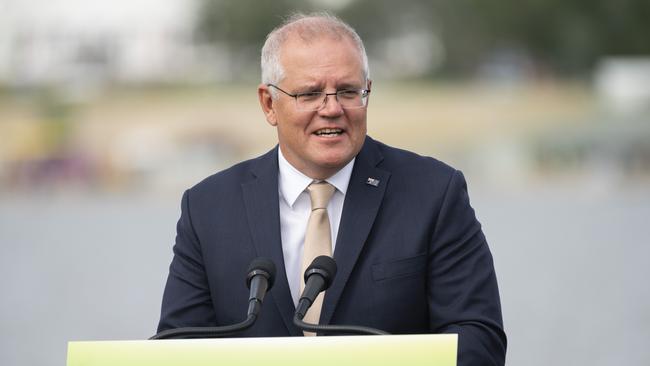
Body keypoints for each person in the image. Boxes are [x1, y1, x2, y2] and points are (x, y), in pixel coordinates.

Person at [157, 12, 506, 365]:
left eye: (348, 91)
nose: (332, 109)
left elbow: (479, 341)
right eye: (310, 94)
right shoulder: (207, 208)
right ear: (268, 104)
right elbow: (177, 347)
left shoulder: (434, 193)